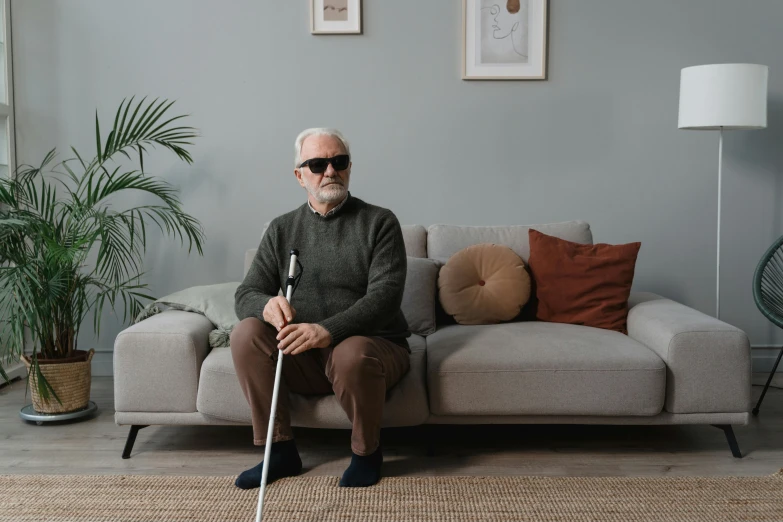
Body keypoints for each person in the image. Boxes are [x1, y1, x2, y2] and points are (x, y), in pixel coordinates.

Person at [230, 128, 411, 490]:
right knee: (245, 333)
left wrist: (325, 330)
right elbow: (246, 293)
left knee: (351, 352)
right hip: (306, 356)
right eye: (317, 163)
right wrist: (267, 306)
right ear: (300, 175)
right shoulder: (282, 229)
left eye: (339, 161)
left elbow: (385, 298)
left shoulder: (380, 222)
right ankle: (278, 451)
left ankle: (365, 453)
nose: (330, 171)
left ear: (348, 167)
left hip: (372, 349)